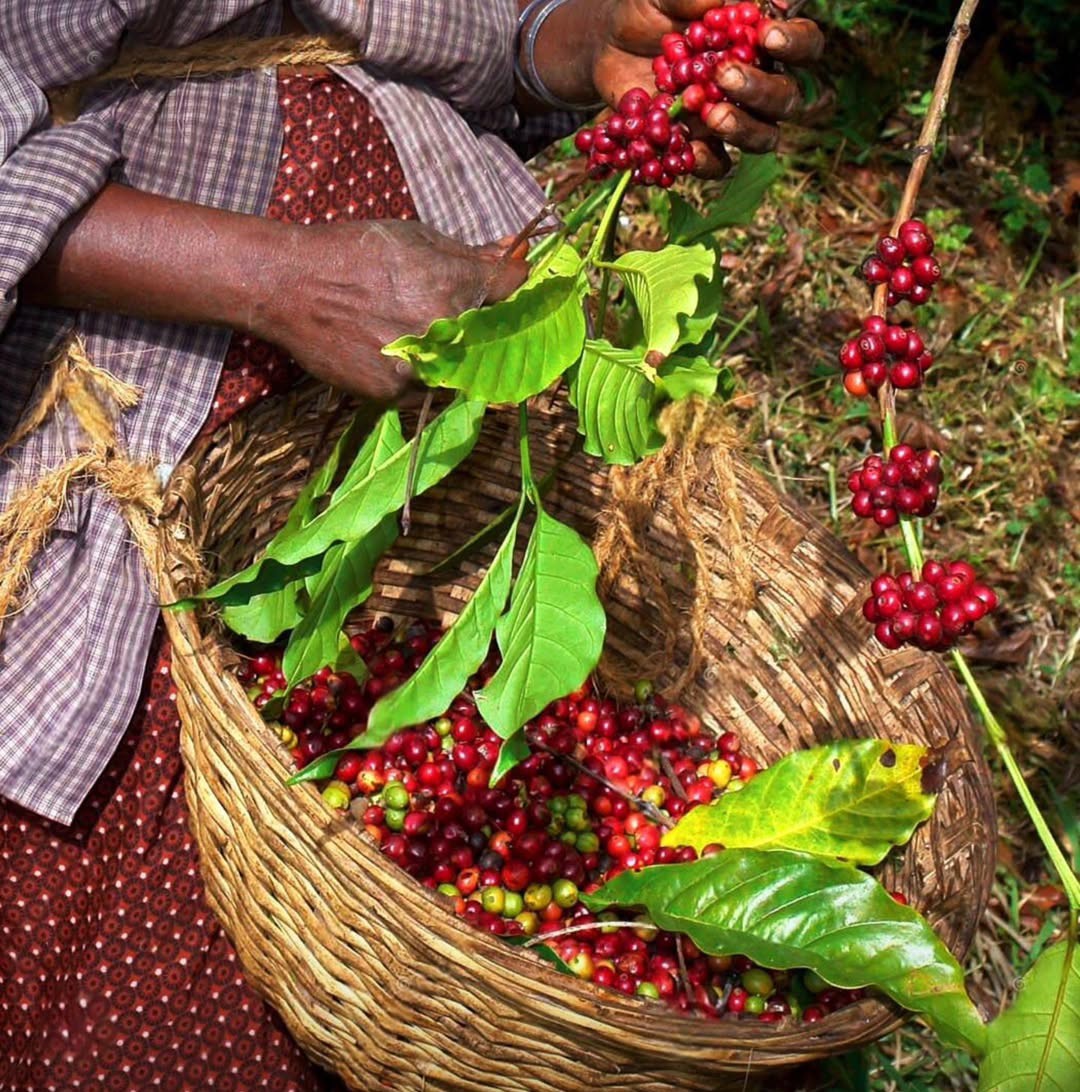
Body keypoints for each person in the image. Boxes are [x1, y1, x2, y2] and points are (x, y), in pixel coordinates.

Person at [0, 2, 823, 1088]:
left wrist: (571, 44)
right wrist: (275, 279)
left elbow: (459, 28)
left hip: (473, 324)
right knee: (151, 957)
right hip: (144, 368)